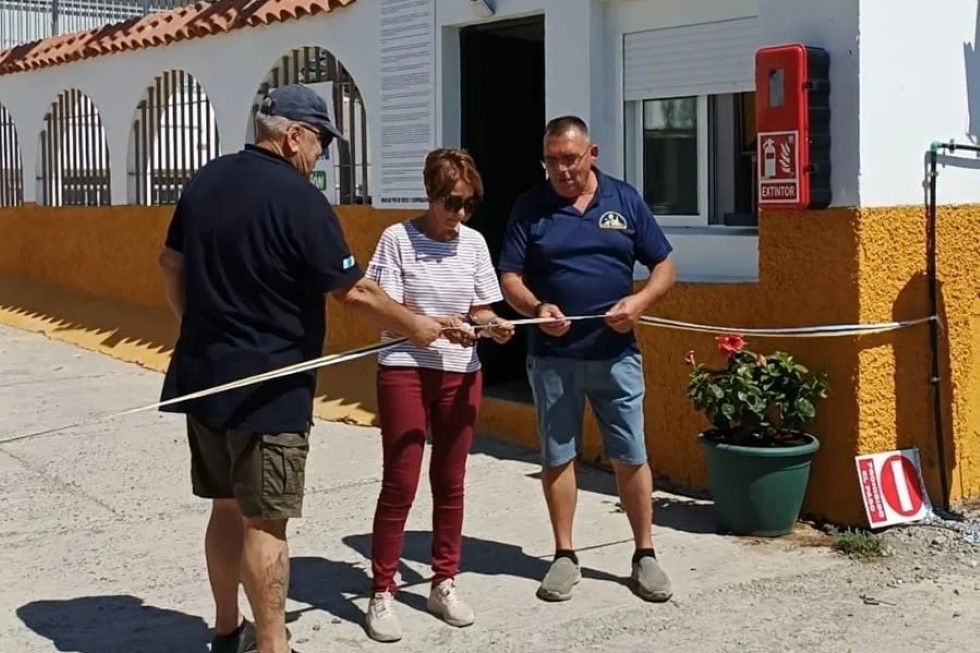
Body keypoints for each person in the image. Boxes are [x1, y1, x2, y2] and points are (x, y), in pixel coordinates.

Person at [157, 83, 443, 653]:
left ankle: (223, 631)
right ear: (293, 136)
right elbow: (354, 292)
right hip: (272, 390)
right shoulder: (299, 198)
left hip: (207, 375)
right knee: (267, 523)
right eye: (320, 144)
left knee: (225, 507)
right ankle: (271, 645)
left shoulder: (206, 180)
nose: (322, 158)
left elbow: (170, 263)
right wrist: (415, 325)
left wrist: (200, 328)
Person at [497, 115, 677, 604]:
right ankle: (563, 555)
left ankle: (645, 555)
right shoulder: (530, 207)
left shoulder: (623, 200)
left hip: (616, 355)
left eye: (570, 159)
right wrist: (536, 308)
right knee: (558, 457)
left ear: (591, 154)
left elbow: (664, 264)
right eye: (552, 160)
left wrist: (639, 303)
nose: (561, 170)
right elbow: (509, 275)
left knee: (631, 454)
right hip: (552, 357)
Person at [362, 148, 514, 643]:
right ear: (430, 195)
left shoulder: (473, 244)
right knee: (400, 481)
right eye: (453, 203)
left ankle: (442, 581)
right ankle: (382, 588)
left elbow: (482, 309)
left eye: (470, 204)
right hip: (406, 369)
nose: (461, 214)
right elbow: (380, 305)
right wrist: (430, 325)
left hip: (460, 372)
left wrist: (493, 328)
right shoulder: (396, 240)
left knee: (451, 480)